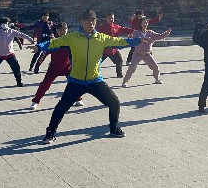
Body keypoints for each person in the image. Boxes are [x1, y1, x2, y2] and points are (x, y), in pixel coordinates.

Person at [33, 9, 148, 144]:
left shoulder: (101, 38)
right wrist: (39, 46)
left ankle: (114, 128)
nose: (91, 23)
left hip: (95, 81)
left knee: (114, 102)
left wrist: (137, 41)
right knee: (60, 108)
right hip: (76, 81)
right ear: (82, 21)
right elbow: (54, 42)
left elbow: (120, 42)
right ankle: (50, 133)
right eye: (88, 20)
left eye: (93, 20)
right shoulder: (73, 37)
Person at [29, 22, 84, 109]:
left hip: (68, 68)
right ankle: (35, 101)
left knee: (74, 83)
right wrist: (37, 66)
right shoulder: (53, 42)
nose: (62, 31)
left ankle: (78, 99)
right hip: (54, 68)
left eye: (64, 29)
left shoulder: (71, 42)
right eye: (60, 30)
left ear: (67, 30)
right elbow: (44, 54)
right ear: (57, 31)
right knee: (44, 85)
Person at [121, 18, 172, 87]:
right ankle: (124, 82)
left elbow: (160, 36)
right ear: (141, 24)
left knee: (155, 67)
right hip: (137, 54)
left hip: (147, 54)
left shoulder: (150, 33)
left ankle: (157, 79)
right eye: (144, 23)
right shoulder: (136, 33)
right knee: (131, 68)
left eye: (146, 23)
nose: (145, 24)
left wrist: (166, 33)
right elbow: (129, 40)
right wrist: (129, 37)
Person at [97, 12, 135, 78]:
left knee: (119, 61)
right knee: (96, 63)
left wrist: (134, 32)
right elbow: (94, 33)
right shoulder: (101, 27)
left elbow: (125, 30)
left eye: (112, 18)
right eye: (109, 18)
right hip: (103, 50)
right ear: (106, 19)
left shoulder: (117, 27)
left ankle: (119, 74)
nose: (111, 19)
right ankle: (94, 74)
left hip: (113, 50)